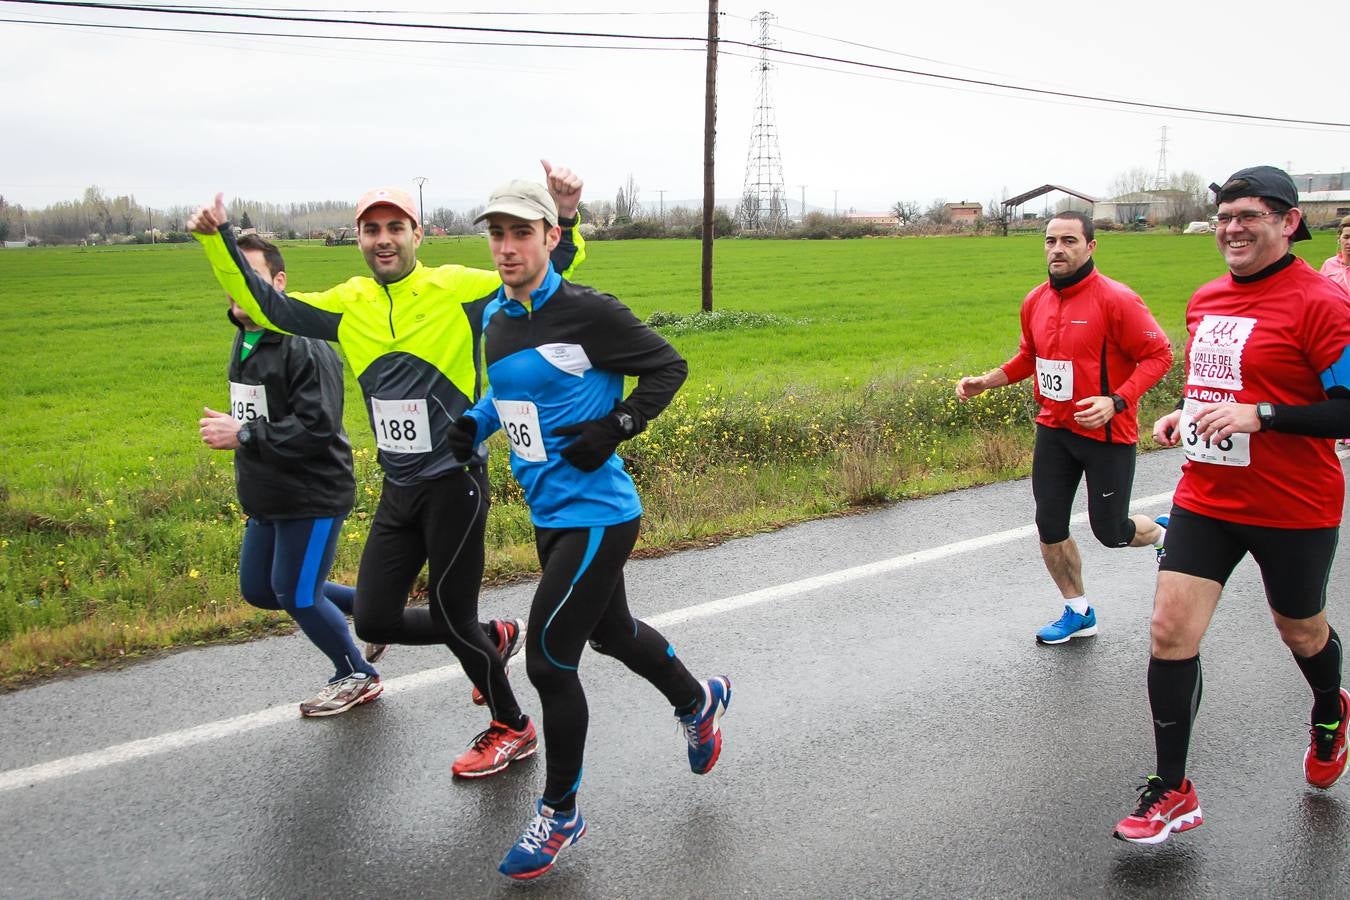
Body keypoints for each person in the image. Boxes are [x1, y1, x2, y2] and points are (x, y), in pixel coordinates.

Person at [187, 161, 585, 778]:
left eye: (395, 226)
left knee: (452, 618)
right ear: (359, 239)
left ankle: (512, 725)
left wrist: (563, 216)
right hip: (399, 488)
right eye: (371, 228)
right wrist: (216, 242)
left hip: (455, 482)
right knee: (373, 617)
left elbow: (544, 271)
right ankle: (494, 637)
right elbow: (268, 310)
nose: (384, 238)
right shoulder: (349, 305)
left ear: (416, 234)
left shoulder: (457, 289)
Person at [447, 179, 730, 880]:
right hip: (548, 510)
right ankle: (698, 701)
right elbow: (504, 395)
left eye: (521, 234)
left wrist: (616, 426)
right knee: (612, 634)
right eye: (497, 235)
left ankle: (561, 814)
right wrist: (473, 426)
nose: (507, 248)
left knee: (548, 659)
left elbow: (669, 366)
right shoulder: (497, 319)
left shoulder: (586, 311)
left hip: (600, 514)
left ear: (550, 237)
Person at [1114, 166, 1350, 845]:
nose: (1232, 227)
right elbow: (1219, 388)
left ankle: (1330, 712)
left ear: (1288, 222)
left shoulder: (1320, 304)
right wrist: (1183, 417)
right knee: (1168, 630)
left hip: (1294, 503)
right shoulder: (1207, 298)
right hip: (1208, 496)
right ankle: (1173, 789)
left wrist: (1263, 416)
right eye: (1224, 216)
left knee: (1301, 632)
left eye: (1248, 215)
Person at [955, 210, 1174, 643]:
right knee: (1049, 524)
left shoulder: (1117, 299)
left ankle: (1163, 532)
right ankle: (1078, 610)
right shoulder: (1035, 300)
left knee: (1111, 532)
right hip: (1054, 430)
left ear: (1090, 247)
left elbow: (1159, 356)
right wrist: (987, 381)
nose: (1058, 249)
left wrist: (1116, 401)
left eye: (1069, 241)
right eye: (1051, 240)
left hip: (1106, 436)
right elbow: (1029, 358)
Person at [198, 234, 380, 716]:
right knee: (260, 590)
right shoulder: (247, 337)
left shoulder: (305, 344)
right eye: (233, 281)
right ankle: (375, 613)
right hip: (268, 494)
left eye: (253, 279)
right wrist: (244, 431)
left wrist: (243, 435)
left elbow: (317, 428)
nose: (241, 291)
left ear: (279, 283)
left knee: (298, 593)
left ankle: (356, 673)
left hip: (313, 492)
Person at [1319, 214, 1350, 295]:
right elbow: (1320, 292)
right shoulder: (1329, 264)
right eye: (1346, 237)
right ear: (1339, 238)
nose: (1349, 242)